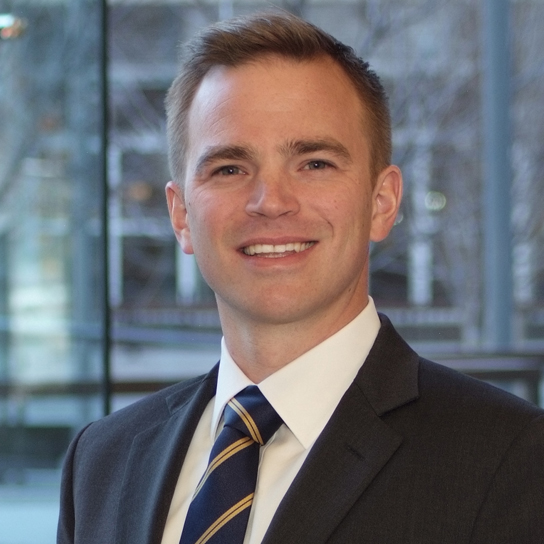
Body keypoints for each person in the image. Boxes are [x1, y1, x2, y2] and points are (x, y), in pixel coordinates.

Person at [57, 11, 544, 544]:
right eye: (229, 169)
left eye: (314, 163)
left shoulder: (510, 459)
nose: (271, 202)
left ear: (382, 202)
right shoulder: (101, 462)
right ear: (181, 216)